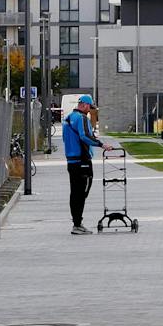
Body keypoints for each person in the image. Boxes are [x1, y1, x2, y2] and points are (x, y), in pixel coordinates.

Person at [62, 94, 110, 234]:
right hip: (82, 161)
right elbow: (85, 136)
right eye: (89, 107)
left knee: (74, 192)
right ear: (85, 105)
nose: (89, 111)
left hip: (71, 161)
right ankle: (77, 225)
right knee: (82, 192)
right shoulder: (81, 118)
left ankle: (76, 222)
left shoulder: (68, 118)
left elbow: (67, 138)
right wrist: (101, 144)